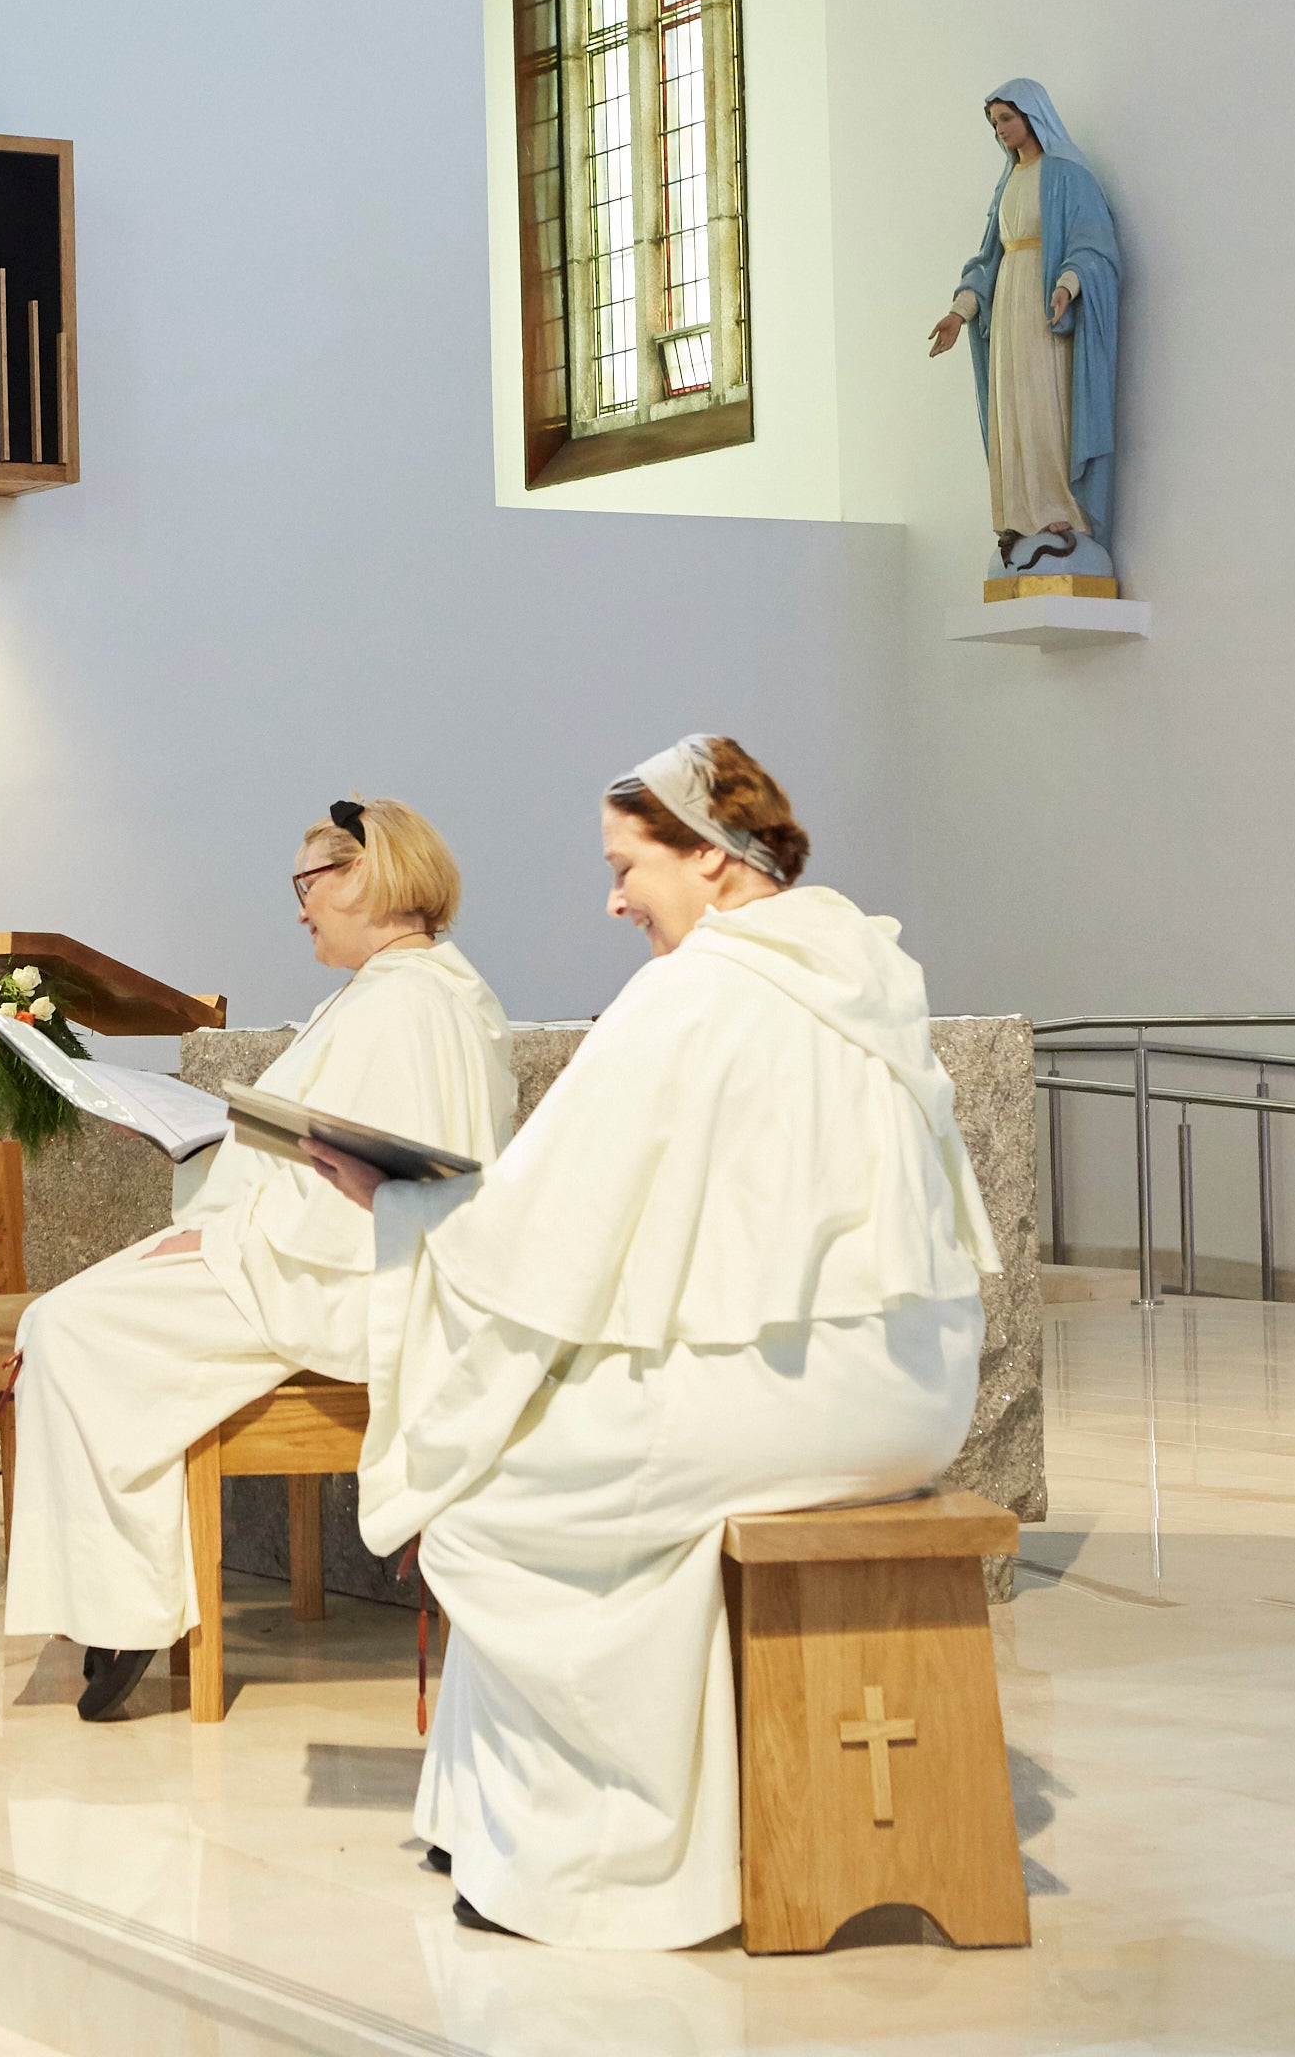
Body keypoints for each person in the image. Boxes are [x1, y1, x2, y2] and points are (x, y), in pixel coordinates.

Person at [309, 736, 997, 1948]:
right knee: (557, 1459)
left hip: (805, 1386)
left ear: (716, 863)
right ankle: (482, 1815)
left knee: (487, 1498)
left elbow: (544, 1217)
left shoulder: (700, 989)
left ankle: (592, 1858)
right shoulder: (862, 968)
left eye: (630, 866)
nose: (614, 897)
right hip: (915, 1387)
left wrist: (397, 1203)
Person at [3, 799, 514, 1722]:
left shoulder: (412, 1005)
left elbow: (375, 1179)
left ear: (364, 876)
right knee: (60, 1316)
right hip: (288, 1249)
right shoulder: (384, 992)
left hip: (336, 1278)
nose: (299, 909)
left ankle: (128, 1611)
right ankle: (117, 1599)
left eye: (306, 886)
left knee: (73, 1327)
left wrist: (232, 1230)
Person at [926, 78, 1122, 589]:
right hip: (1009, 307)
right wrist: (961, 311)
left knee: (1044, 403)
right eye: (995, 124)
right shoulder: (1009, 181)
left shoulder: (1068, 175)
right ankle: (1021, 512)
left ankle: (1060, 506)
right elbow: (989, 258)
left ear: (1032, 116)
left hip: (1043, 307)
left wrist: (1069, 283)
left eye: (1007, 119)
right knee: (1012, 405)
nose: (1002, 131)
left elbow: (1094, 244)